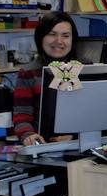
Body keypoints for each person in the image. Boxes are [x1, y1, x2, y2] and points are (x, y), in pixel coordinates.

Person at [12, 11, 79, 146]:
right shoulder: (29, 72)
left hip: (80, 143)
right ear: (41, 37)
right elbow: (22, 116)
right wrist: (29, 136)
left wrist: (75, 134)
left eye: (65, 36)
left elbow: (91, 113)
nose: (59, 41)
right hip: (43, 146)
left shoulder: (84, 68)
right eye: (52, 34)